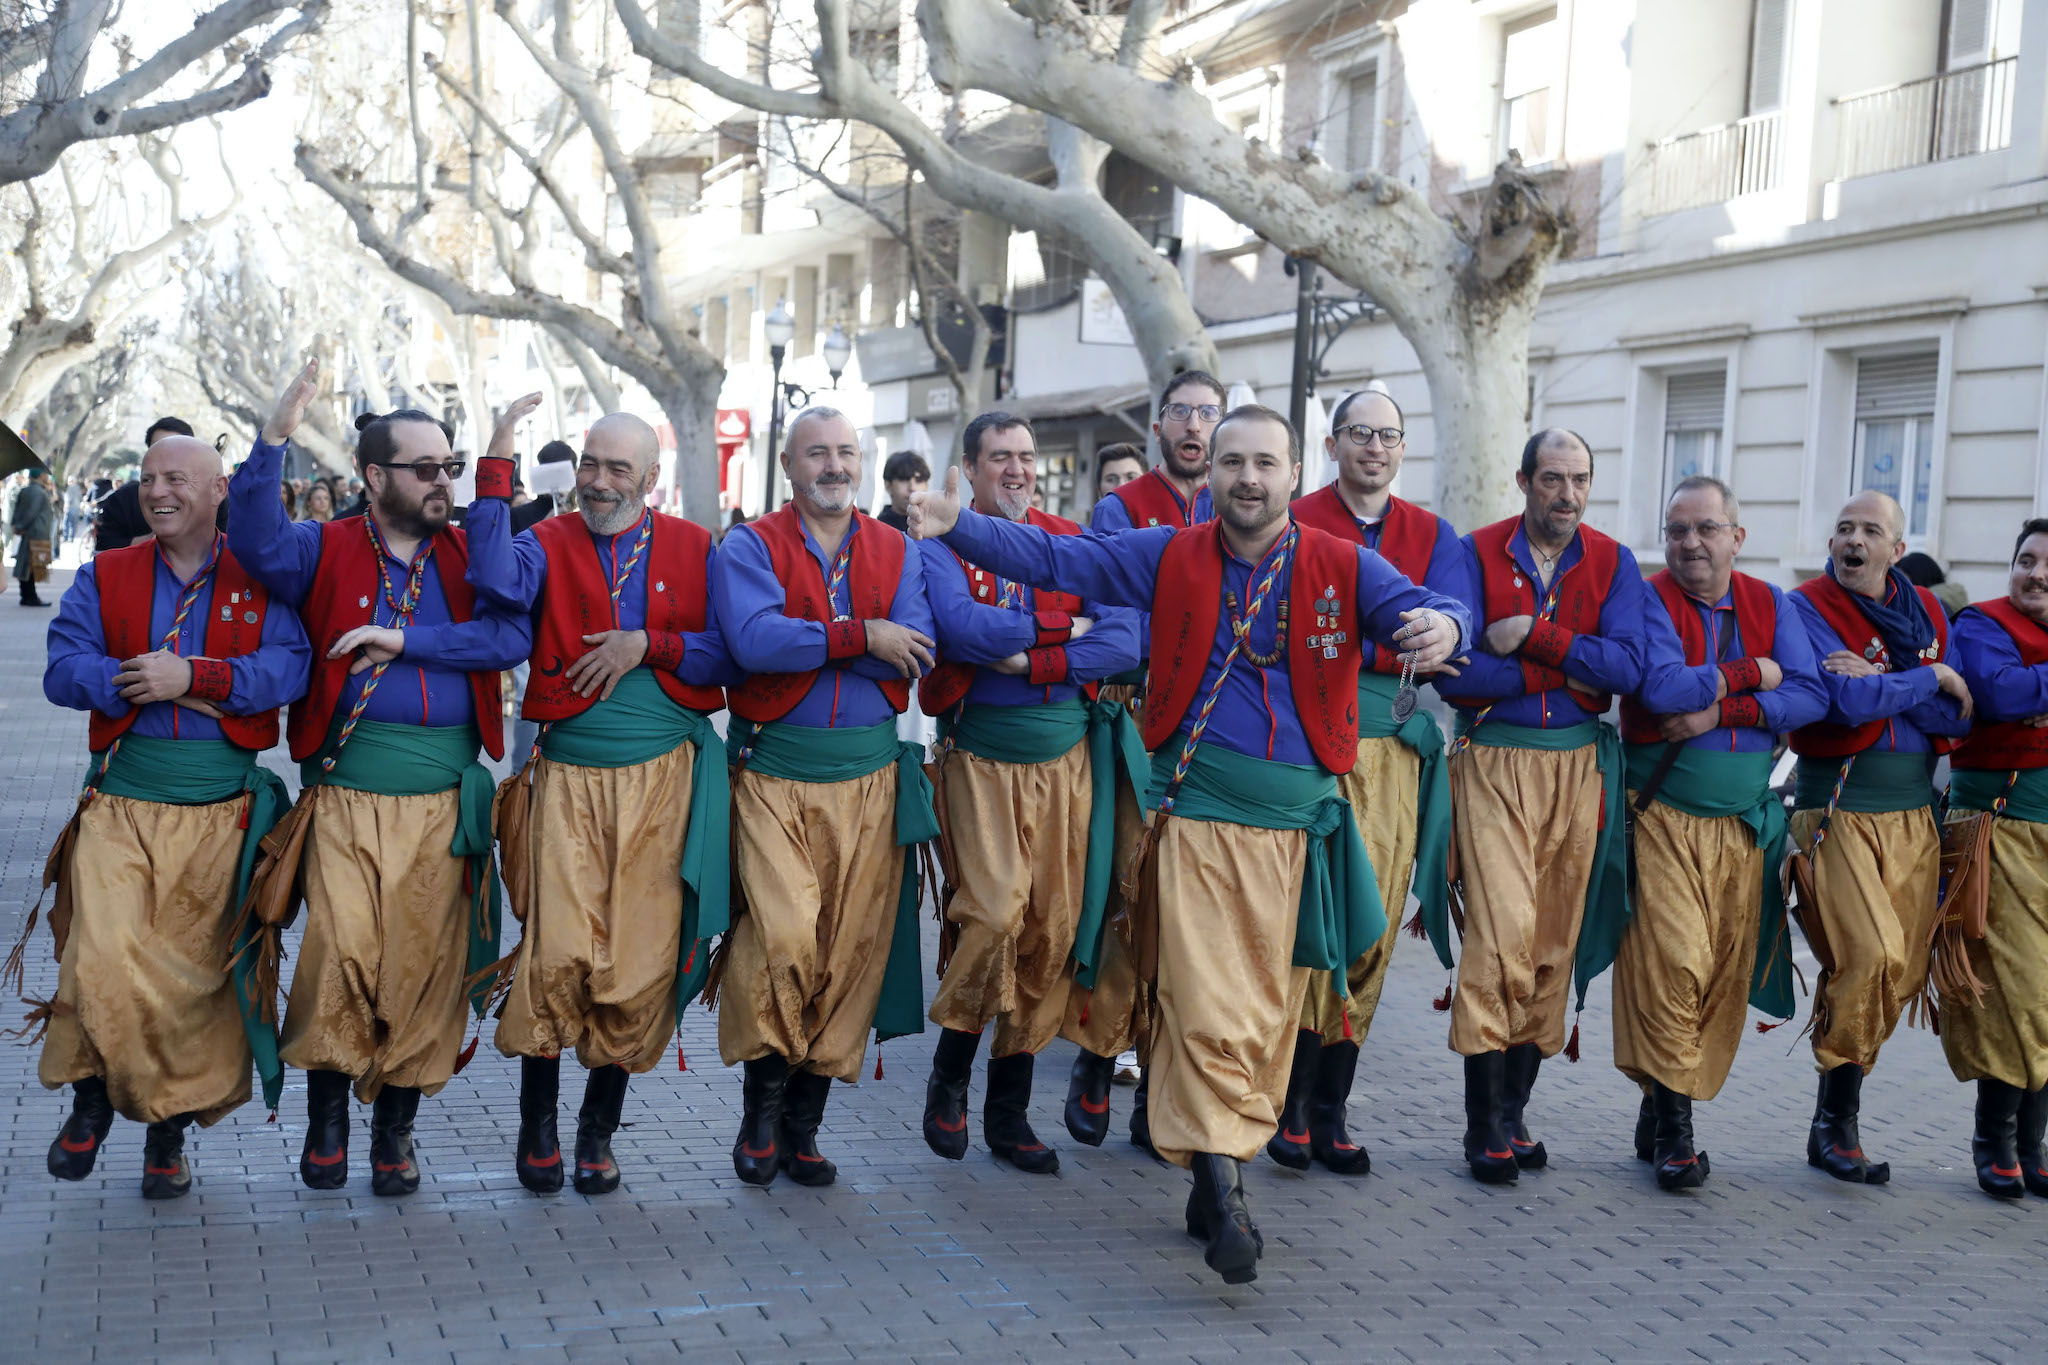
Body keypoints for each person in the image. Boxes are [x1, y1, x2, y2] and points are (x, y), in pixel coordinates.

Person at [911, 404, 1467, 1284]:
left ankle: (1214, 1173)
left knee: (1270, 1017)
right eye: (1233, 462)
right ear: (1211, 475)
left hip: (1299, 834)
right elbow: (1059, 559)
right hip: (1200, 819)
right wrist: (959, 528)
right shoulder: (1168, 553)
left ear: (1293, 475)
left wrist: (1449, 628)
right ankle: (1225, 1184)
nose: (1248, 478)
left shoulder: (1340, 562)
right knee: (1213, 1006)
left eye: (1265, 463)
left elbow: (1427, 603)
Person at [228, 358, 529, 1197]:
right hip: (349, 794)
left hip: (445, 799)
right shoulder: (321, 549)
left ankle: (395, 1128)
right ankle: (329, 1117)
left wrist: (410, 643)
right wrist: (273, 441)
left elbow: (509, 638)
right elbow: (253, 542)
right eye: (425, 469)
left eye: (451, 468)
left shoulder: (472, 554)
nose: (443, 484)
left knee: (427, 967)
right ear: (373, 476)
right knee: (342, 954)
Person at [464, 399, 736, 1196]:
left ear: (651, 480)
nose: (600, 481)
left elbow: (731, 649)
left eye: (619, 468)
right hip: (570, 780)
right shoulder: (546, 541)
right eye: (591, 464)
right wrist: (499, 455)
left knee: (640, 959)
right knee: (557, 953)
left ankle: (596, 1130)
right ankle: (539, 1125)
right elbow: (488, 573)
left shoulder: (693, 546)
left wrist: (647, 643)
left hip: (663, 783)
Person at [31, 434, 310, 1198]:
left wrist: (197, 675)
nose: (158, 491)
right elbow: (62, 667)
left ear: (219, 490)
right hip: (122, 801)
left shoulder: (261, 576)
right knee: (101, 950)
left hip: (220, 812)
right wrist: (133, 680)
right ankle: (93, 1095)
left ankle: (167, 1137)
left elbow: (290, 668)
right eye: (149, 478)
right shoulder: (107, 572)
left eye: (176, 479)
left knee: (194, 985)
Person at [710, 406, 939, 1188]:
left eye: (846, 452)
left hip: (870, 779)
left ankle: (801, 1126)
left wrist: (836, 641)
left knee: (847, 955)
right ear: (789, 464)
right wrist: (859, 637)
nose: (835, 465)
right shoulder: (749, 544)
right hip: (774, 773)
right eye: (818, 453)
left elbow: (914, 653)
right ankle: (758, 1113)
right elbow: (753, 642)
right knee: (783, 937)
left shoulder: (898, 548)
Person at [916, 411, 1141, 1175]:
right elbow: (959, 628)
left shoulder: (1067, 539)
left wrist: (1034, 656)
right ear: (970, 470)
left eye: (1024, 457)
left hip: (1067, 761)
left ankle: (1007, 1112)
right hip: (980, 757)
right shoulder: (944, 539)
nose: (1016, 470)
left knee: (1051, 927)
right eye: (999, 458)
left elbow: (1124, 640)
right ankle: (950, 1072)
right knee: (993, 912)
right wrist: (1063, 630)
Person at [1438, 429, 1650, 1186]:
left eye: (1580, 479)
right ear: (1524, 480)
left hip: (1579, 768)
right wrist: (1563, 676)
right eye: (1553, 479)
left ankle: (1516, 1108)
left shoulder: (1615, 561)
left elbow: (1628, 667)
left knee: (1553, 942)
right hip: (1494, 762)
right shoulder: (1473, 549)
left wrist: (1535, 637)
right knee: (1500, 936)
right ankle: (1481, 1123)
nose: (1568, 494)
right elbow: (1455, 673)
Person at [1271, 389, 1466, 1176]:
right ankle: (1283, 1102)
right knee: (1303, 926)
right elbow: (1293, 632)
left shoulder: (1432, 533)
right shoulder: (1298, 516)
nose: (1374, 448)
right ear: (1332, 442)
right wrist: (1392, 648)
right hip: (1309, 748)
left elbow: (1460, 629)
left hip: (1396, 757)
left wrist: (1380, 643)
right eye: (1360, 434)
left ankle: (1331, 1107)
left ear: (1402, 447)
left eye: (1388, 435)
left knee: (1372, 929)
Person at [1617, 475, 1827, 1189]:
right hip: (1664, 816)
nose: (1689, 542)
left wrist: (1721, 711)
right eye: (1677, 529)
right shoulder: (1645, 597)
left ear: (1737, 537)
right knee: (1673, 962)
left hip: (1745, 827)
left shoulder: (1772, 602)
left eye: (1706, 528)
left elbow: (1810, 693)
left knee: (1718, 976)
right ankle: (1677, 1135)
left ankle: (1658, 1100)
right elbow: (1661, 689)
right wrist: (1751, 674)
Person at [1787, 490, 1972, 1184]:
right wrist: (1928, 677)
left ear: (1897, 548)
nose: (1853, 541)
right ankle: (1834, 1124)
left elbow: (1957, 720)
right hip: (1836, 811)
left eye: (1870, 530)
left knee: (1901, 970)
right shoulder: (1804, 607)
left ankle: (1840, 1106)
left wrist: (1897, 682)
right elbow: (1843, 702)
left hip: (1911, 816)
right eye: (1843, 529)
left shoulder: (1925, 609)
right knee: (1868, 955)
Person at [1068, 376, 1227, 1143]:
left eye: (1209, 413)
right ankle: (1098, 1056)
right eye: (1183, 414)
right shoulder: (1122, 511)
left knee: (1193, 919)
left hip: (1219, 735)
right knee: (1132, 894)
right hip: (1142, 724)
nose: (1195, 427)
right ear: (1160, 426)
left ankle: (1158, 1091)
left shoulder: (1244, 509)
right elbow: (1119, 633)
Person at [1945, 519, 2048, 1199]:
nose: (2035, 574)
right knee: (2018, 986)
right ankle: (1997, 1137)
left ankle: (2032, 1143)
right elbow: (2002, 694)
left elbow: (2023, 691)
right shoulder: (1981, 624)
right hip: (2002, 830)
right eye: (2026, 560)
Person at [1088, 371, 1224, 533]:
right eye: (1180, 411)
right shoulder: (1117, 509)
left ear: (1225, 434)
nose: (1194, 426)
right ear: (1158, 431)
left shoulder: (1237, 506)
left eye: (1208, 413)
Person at [95, 418, 192, 553]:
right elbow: (104, 545)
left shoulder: (212, 500)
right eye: (158, 449)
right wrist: (150, 541)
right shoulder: (123, 499)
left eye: (176, 450)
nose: (159, 493)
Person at [12, 464, 55, 606]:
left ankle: (27, 595)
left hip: (29, 532)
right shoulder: (39, 492)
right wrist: (21, 526)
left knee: (27, 565)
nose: (47, 476)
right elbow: (32, 513)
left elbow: (17, 510)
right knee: (30, 566)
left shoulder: (27, 490)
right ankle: (29, 597)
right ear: (40, 475)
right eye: (45, 474)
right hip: (36, 533)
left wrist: (17, 526)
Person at [876, 450, 930, 534]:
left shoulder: (937, 526)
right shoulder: (879, 529)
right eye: (904, 479)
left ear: (926, 485)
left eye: (918, 480)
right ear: (888, 485)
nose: (912, 487)